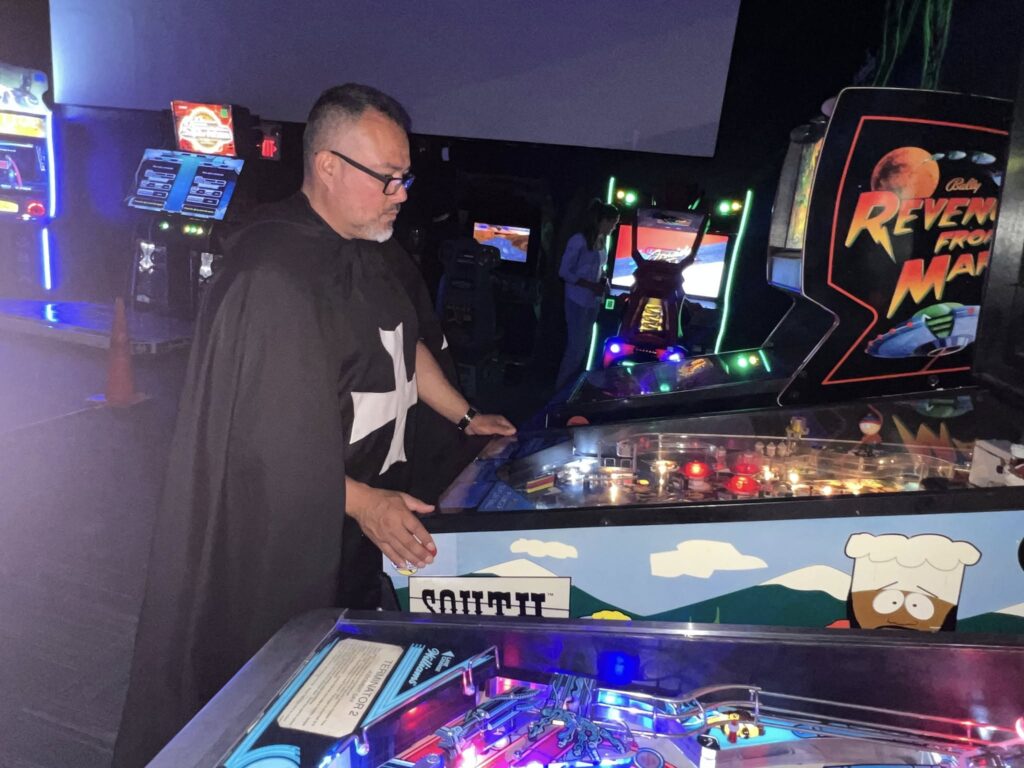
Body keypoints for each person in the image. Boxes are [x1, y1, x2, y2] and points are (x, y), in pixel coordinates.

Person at [112, 83, 515, 766]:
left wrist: (471, 418)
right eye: (387, 178)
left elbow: (406, 343)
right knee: (270, 685)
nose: (401, 193)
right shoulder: (270, 268)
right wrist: (364, 504)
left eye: (404, 176)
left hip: (363, 518)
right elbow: (265, 439)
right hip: (283, 534)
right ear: (327, 166)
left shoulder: (373, 247)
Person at [555, 199, 619, 390]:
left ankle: (572, 386)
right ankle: (561, 388)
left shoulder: (601, 241)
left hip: (592, 301)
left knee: (582, 347)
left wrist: (603, 281)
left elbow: (598, 268)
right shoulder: (579, 240)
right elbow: (565, 272)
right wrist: (591, 285)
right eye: (613, 223)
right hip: (577, 300)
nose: (614, 227)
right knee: (575, 347)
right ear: (604, 221)